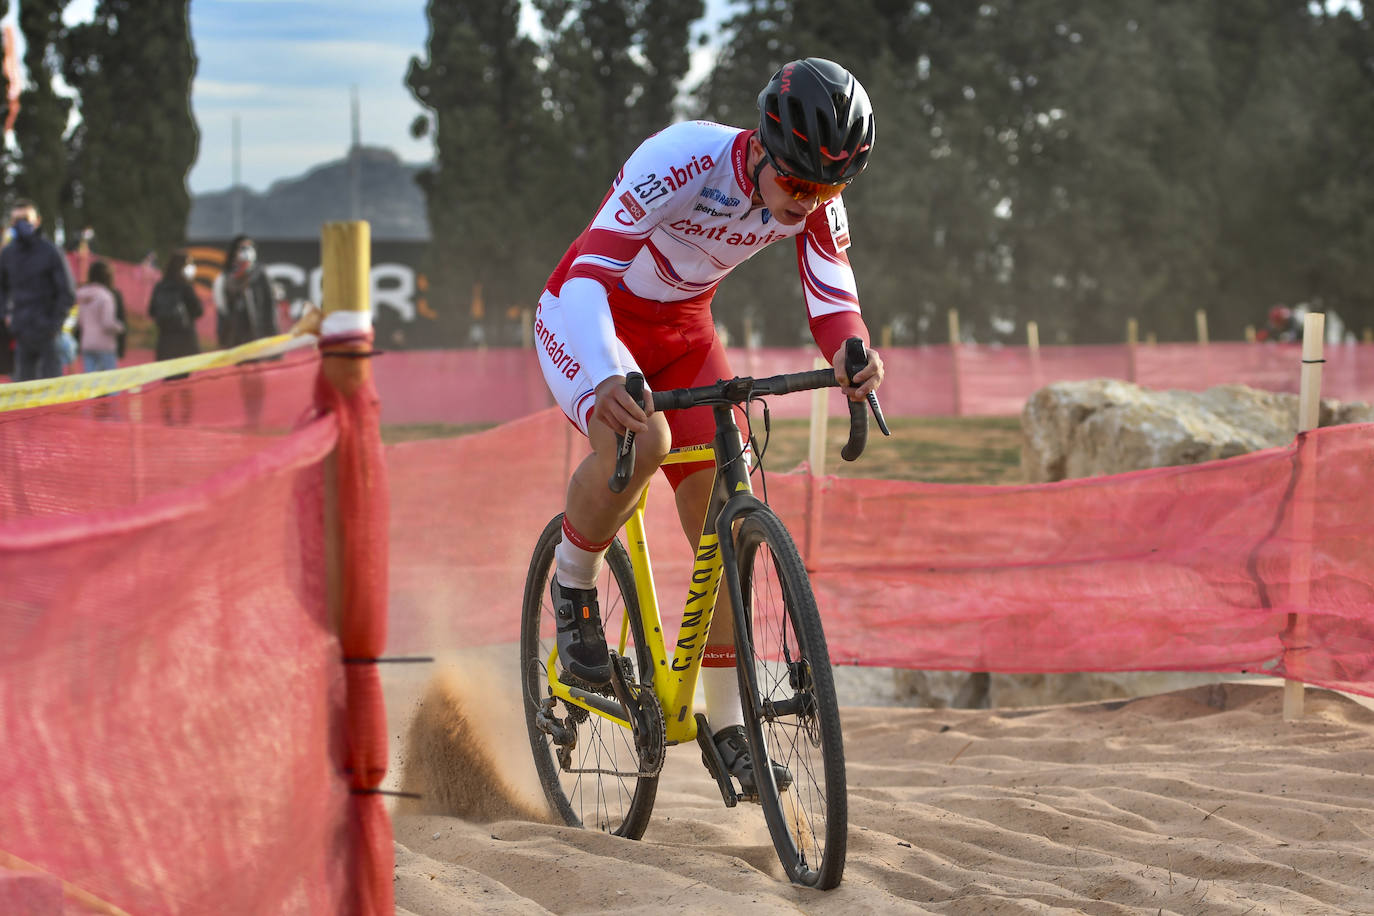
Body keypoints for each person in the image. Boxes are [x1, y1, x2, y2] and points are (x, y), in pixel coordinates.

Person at [533, 58, 885, 792]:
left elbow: (830, 291)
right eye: (797, 185)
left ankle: (727, 723)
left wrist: (852, 350)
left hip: (687, 337)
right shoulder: (680, 159)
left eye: (827, 190)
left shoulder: (816, 192)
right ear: (764, 147)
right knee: (644, 438)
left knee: (724, 520)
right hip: (586, 315)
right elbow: (593, 278)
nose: (808, 203)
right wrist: (606, 374)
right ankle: (572, 587)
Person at [0, 199, 77, 381]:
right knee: (23, 395)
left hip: (48, 335)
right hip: (21, 335)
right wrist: (6, 315)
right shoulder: (8, 254)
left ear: (37, 221)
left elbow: (67, 292)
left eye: (25, 218)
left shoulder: (51, 252)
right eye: (16, 220)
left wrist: (54, 324)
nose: (21, 224)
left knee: (51, 393)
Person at [214, 234, 277, 347]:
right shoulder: (224, 279)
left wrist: (272, 337)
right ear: (234, 251)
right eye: (242, 248)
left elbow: (269, 306)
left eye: (249, 247)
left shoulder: (260, 274)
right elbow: (222, 310)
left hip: (258, 336)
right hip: (235, 338)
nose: (246, 251)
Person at [148, 251, 205, 360]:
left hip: (164, 342)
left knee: (169, 375)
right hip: (185, 342)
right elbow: (198, 311)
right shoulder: (185, 287)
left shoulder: (160, 287)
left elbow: (151, 311)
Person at [75, 260, 124, 373]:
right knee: (110, 383)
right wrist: (119, 327)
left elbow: (79, 321)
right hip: (105, 345)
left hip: (87, 342)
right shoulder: (106, 296)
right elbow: (107, 323)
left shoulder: (81, 295)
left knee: (91, 382)